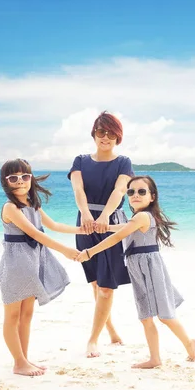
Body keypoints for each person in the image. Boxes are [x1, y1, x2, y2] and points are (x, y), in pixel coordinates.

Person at [77, 176, 195, 369]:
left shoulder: (142, 216)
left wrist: (90, 252)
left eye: (142, 191)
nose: (135, 195)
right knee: (146, 316)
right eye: (131, 192)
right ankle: (155, 358)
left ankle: (188, 343)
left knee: (164, 315)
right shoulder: (139, 217)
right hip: (139, 269)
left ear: (152, 196)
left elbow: (117, 237)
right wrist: (100, 227)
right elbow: (122, 228)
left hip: (148, 268)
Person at [0, 158, 80, 376]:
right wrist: (65, 251)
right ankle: (18, 362)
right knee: (12, 315)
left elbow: (54, 226)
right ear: (6, 182)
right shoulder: (10, 207)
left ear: (31, 178)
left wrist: (84, 231)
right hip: (16, 265)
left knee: (27, 315)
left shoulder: (33, 205)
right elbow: (35, 233)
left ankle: (24, 359)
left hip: (32, 264)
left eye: (25, 176)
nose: (21, 181)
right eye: (13, 178)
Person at [67, 111, 135, 358]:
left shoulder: (123, 162)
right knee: (96, 284)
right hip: (85, 225)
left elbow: (119, 191)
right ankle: (112, 330)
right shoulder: (80, 161)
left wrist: (105, 216)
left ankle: (92, 340)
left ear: (118, 136)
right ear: (94, 134)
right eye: (100, 132)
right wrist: (85, 214)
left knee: (107, 287)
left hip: (112, 225)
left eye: (110, 133)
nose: (105, 137)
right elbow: (78, 189)